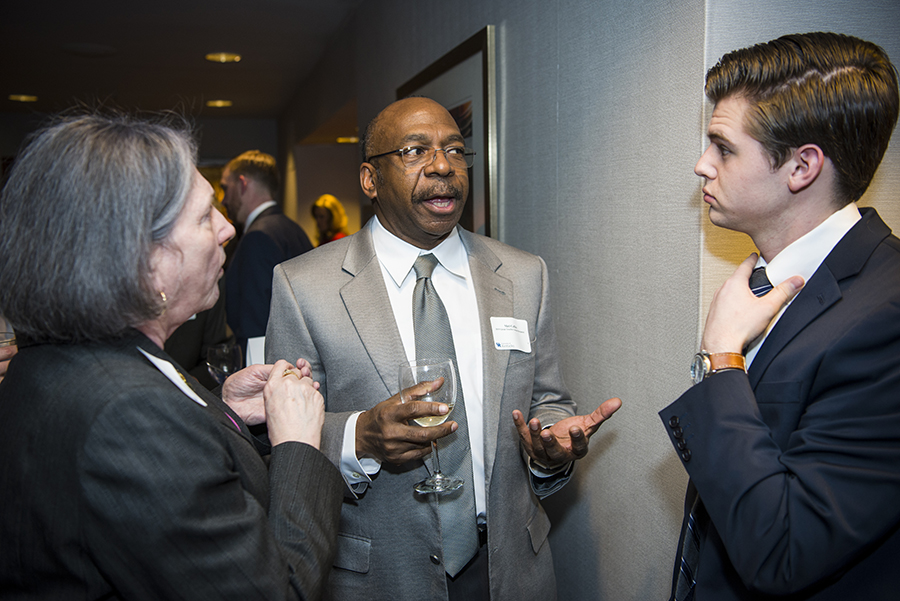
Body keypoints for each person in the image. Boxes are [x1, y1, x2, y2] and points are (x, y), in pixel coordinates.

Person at [266, 96, 622, 600]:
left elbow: (547, 400)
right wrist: (360, 437)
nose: (442, 166)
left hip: (509, 570)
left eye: (455, 150)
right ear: (370, 179)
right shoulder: (303, 287)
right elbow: (283, 442)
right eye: (415, 151)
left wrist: (549, 448)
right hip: (379, 580)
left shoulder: (524, 275)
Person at [0, 113, 343, 600]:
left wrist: (223, 410)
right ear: (144, 260)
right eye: (204, 216)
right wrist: (300, 445)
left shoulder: (63, 356)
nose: (227, 228)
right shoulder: (128, 413)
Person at [659, 32, 900, 600]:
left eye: (723, 148)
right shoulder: (764, 283)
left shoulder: (888, 317)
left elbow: (785, 549)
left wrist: (723, 360)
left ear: (801, 166)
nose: (701, 165)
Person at [221, 150, 313, 354]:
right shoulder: (293, 230)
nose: (224, 200)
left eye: (225, 188)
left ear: (243, 184)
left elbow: (256, 324)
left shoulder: (257, 237)